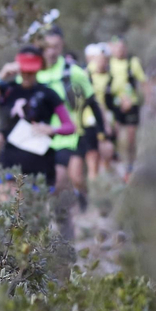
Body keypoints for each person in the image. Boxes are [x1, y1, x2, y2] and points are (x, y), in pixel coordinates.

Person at [0, 45, 77, 197]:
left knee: (34, 210)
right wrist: (1, 75)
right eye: (24, 70)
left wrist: (51, 129)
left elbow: (70, 127)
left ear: (39, 68)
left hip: (39, 164)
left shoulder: (48, 94)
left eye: (31, 71)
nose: (27, 74)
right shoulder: (8, 90)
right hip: (10, 161)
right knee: (10, 208)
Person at [38, 25, 97, 204]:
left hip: (70, 136)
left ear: (62, 45)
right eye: (47, 47)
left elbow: (92, 102)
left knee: (70, 178)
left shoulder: (73, 71)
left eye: (55, 47)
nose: (51, 52)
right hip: (40, 139)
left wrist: (102, 134)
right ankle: (67, 207)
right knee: (51, 186)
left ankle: (83, 200)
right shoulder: (32, 73)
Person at [106, 34, 147, 177]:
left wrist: (142, 100)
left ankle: (131, 164)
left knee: (131, 137)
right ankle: (115, 164)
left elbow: (143, 82)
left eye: (122, 47)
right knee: (114, 134)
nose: (120, 50)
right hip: (114, 104)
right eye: (116, 47)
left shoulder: (132, 62)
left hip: (131, 103)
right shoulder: (107, 63)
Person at [84, 42, 115, 180]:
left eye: (105, 59)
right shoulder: (86, 74)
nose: (102, 62)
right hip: (88, 121)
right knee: (92, 157)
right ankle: (94, 186)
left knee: (106, 154)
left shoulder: (110, 75)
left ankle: (104, 183)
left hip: (105, 120)